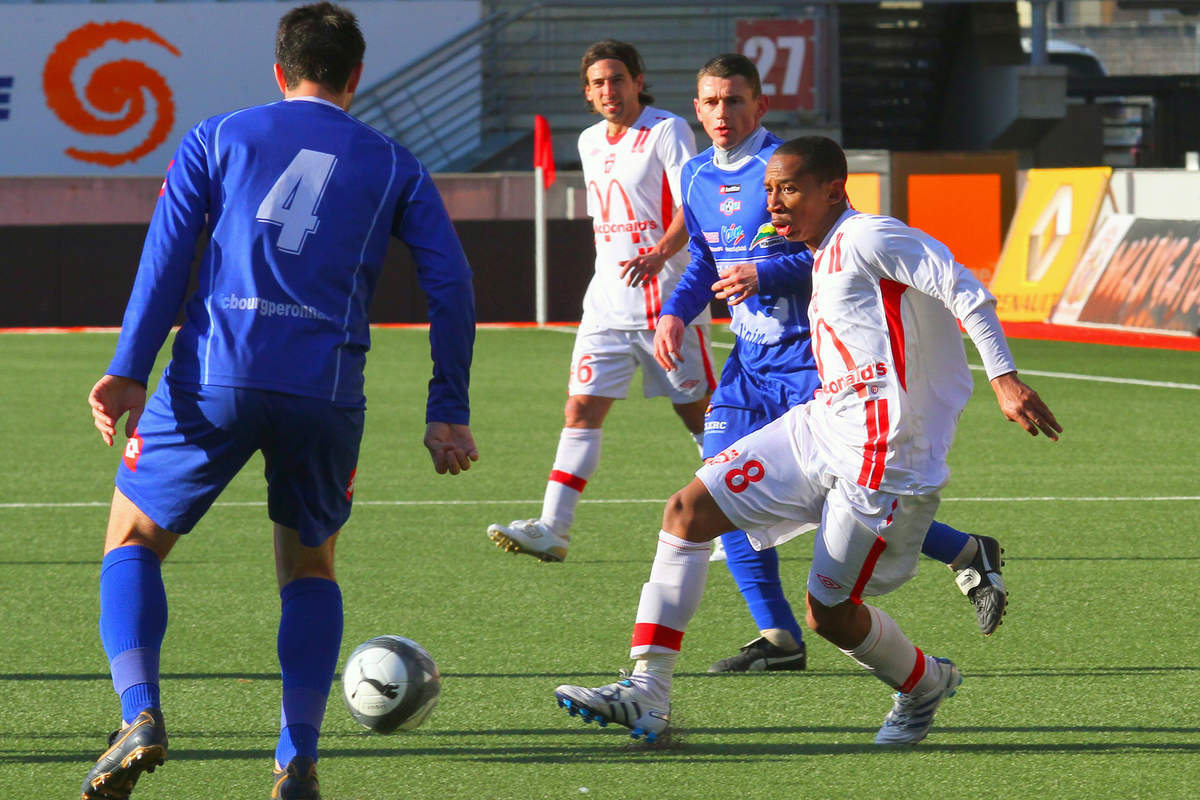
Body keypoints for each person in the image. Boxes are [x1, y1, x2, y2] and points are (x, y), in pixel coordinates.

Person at [82, 4, 478, 798]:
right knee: (309, 566)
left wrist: (129, 368)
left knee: (131, 539)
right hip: (323, 392)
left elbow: (167, 258)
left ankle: (141, 713)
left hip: (211, 378)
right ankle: (296, 751)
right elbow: (452, 284)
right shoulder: (395, 163)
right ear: (354, 77)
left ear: (278, 70)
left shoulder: (217, 136)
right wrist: (447, 406)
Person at [553, 135, 1061, 746]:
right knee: (687, 510)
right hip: (821, 427)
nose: (774, 203)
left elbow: (965, 290)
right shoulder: (818, 250)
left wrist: (1004, 380)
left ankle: (924, 684)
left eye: (789, 189)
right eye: (769, 190)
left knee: (830, 616)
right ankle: (647, 693)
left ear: (834, 190)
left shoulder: (871, 236)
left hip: (886, 460)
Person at [653, 54, 1006, 675]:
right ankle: (778, 635)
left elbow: (834, 253)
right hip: (748, 361)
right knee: (713, 489)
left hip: (810, 361)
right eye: (709, 102)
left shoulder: (793, 167)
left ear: (759, 106)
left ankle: (955, 563)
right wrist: (676, 312)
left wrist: (762, 271)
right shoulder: (697, 176)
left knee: (832, 499)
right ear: (696, 109)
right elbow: (707, 262)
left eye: (734, 101)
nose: (721, 114)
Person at [486, 40, 715, 562]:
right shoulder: (589, 141)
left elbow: (694, 206)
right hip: (606, 305)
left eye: (617, 79)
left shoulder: (667, 130)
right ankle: (552, 527)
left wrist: (660, 252)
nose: (608, 90)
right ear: (587, 94)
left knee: (701, 416)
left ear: (638, 81)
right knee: (580, 409)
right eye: (597, 83)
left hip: (668, 306)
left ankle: (735, 524)